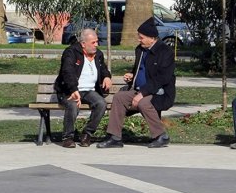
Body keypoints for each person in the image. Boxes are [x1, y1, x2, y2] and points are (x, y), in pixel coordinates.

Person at [97, 17, 176, 148]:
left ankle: (161, 135)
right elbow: (142, 69)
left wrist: (142, 93)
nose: (139, 40)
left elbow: (162, 78)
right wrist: (133, 75)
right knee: (119, 98)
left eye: (141, 37)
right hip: (140, 89)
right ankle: (115, 137)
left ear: (152, 38)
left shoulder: (165, 52)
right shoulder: (140, 49)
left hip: (159, 92)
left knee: (144, 102)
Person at [54, 28, 112, 148]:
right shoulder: (71, 52)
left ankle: (87, 134)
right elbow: (67, 72)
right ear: (83, 44)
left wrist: (106, 77)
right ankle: (68, 137)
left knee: (101, 104)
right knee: (73, 105)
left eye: (97, 41)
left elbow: (103, 69)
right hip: (69, 90)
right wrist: (74, 90)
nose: (96, 45)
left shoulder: (98, 54)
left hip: (89, 91)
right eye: (93, 42)